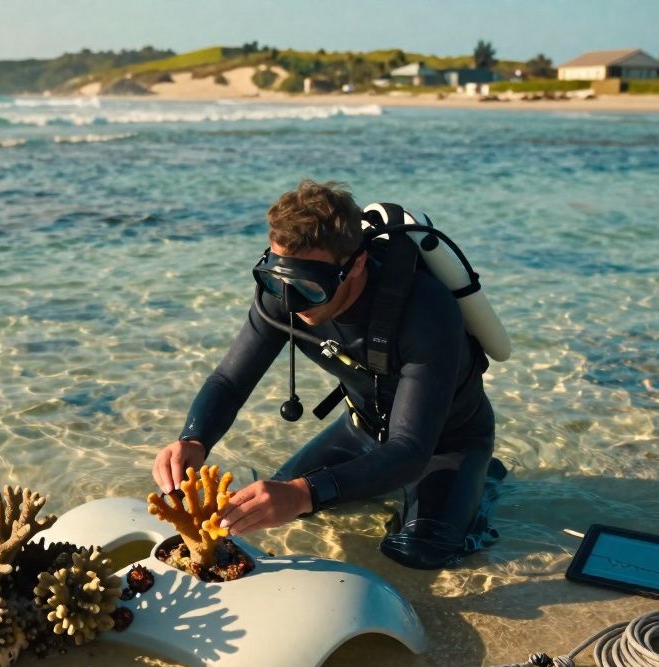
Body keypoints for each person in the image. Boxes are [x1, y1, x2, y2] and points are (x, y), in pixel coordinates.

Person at [151, 180, 501, 569]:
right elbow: (228, 382)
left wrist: (304, 492)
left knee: (418, 552)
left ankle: (483, 477)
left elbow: (410, 450)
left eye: (311, 287)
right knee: (268, 508)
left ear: (356, 265)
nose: (291, 300)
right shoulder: (282, 290)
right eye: (279, 279)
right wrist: (193, 440)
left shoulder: (425, 311)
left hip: (446, 443)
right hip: (361, 429)